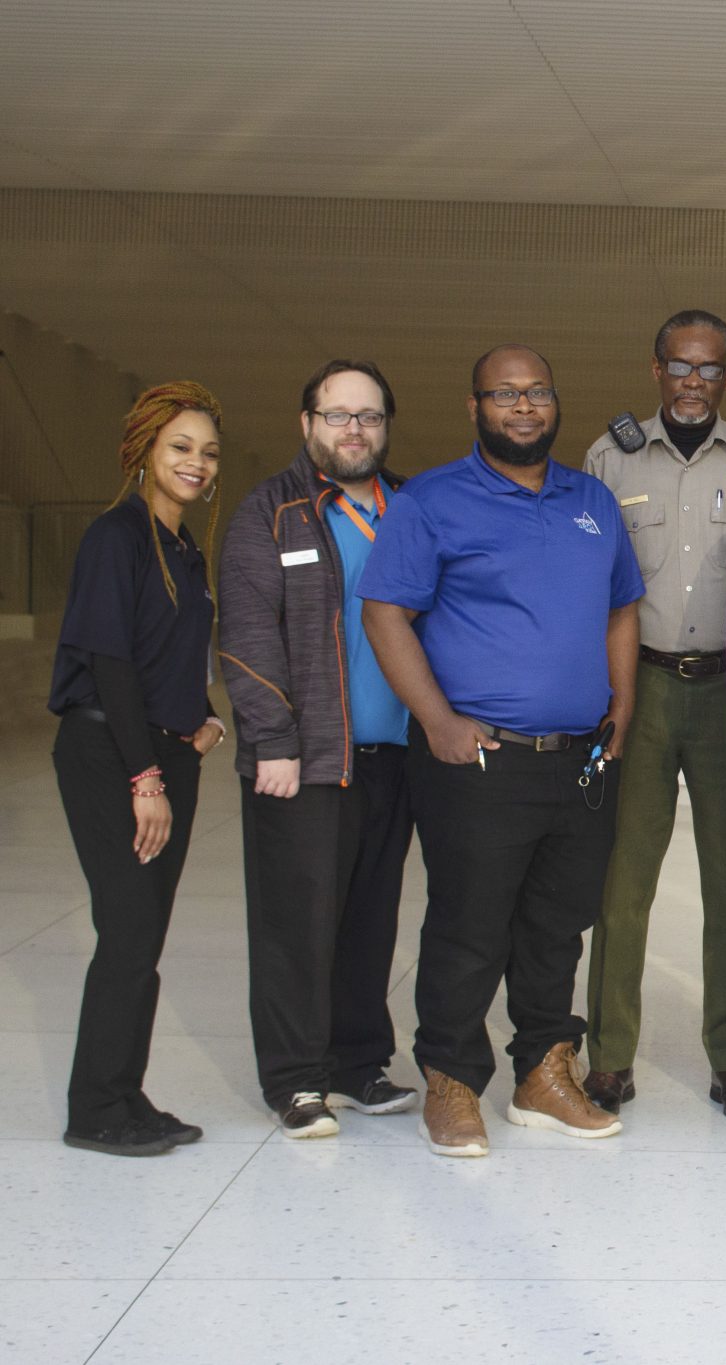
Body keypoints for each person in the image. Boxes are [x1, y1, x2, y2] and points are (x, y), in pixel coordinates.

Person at [359, 344, 643, 1158]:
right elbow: (384, 611)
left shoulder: (592, 500)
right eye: (505, 394)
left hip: (580, 761)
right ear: (474, 407)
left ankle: (544, 1074)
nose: (524, 407)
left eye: (538, 392)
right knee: (469, 923)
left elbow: (622, 607)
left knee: (558, 925)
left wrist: (622, 706)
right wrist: (439, 720)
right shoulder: (435, 500)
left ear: (557, 403)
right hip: (479, 759)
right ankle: (450, 1080)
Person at [581, 309, 726, 1121]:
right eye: (679, 365)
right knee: (622, 882)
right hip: (642, 685)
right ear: (656, 367)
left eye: (709, 368)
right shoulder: (609, 458)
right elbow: (591, 585)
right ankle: (608, 1057)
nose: (693, 380)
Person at [218, 360, 418, 1139]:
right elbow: (244, 633)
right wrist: (271, 739)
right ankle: (298, 1079)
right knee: (296, 925)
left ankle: (358, 1063)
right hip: (301, 762)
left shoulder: (409, 507)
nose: (353, 429)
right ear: (307, 424)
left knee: (370, 919)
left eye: (368, 415)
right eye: (336, 414)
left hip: (395, 755)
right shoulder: (269, 511)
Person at [48, 382, 227, 1156]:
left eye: (209, 451)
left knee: (143, 935)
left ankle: (124, 1091)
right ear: (146, 450)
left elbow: (172, 656)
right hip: (108, 755)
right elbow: (112, 663)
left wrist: (204, 717)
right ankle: (93, 1108)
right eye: (181, 446)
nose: (197, 462)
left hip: (166, 750)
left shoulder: (185, 549)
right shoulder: (114, 538)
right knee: (125, 930)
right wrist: (143, 778)